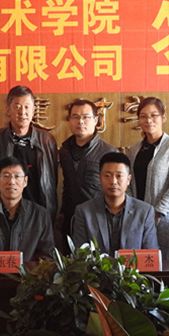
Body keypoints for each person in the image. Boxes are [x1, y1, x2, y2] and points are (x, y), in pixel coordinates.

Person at [124, 97, 169, 261]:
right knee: (139, 264)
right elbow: (128, 182)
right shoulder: (134, 149)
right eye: (143, 116)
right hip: (137, 219)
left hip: (165, 221)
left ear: (163, 117)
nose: (149, 120)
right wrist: (133, 210)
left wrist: (158, 213)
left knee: (165, 264)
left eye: (154, 115)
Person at [0, 85, 58, 220]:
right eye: (17, 107)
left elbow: (52, 180)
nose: (22, 112)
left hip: (38, 213)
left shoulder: (47, 140)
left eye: (27, 107)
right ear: (8, 110)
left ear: (33, 110)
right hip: (4, 213)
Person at [0, 156, 55, 262]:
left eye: (17, 176)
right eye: (6, 176)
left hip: (28, 272)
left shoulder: (40, 215)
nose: (11, 181)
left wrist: (28, 270)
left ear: (25, 181)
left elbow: (47, 255)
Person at [71, 152, 158, 254]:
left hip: (134, 265)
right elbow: (80, 255)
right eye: (107, 176)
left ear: (128, 179)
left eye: (119, 176)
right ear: (100, 178)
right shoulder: (84, 212)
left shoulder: (145, 212)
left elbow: (151, 255)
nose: (113, 181)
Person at [59, 99, 118, 235]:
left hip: (99, 219)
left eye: (86, 117)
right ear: (69, 120)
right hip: (70, 219)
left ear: (96, 120)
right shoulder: (64, 151)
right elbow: (66, 185)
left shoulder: (109, 152)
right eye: (75, 117)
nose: (80, 122)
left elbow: (118, 191)